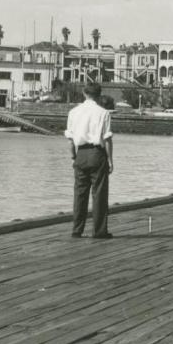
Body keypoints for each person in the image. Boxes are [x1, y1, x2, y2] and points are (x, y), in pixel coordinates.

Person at [65, 82, 114, 239]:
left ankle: (77, 229)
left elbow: (70, 140)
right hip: (97, 153)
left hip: (81, 154)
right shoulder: (104, 113)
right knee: (99, 193)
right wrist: (110, 160)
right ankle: (99, 231)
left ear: (84, 93)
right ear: (99, 96)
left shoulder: (73, 112)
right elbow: (107, 139)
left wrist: (74, 156)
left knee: (79, 193)